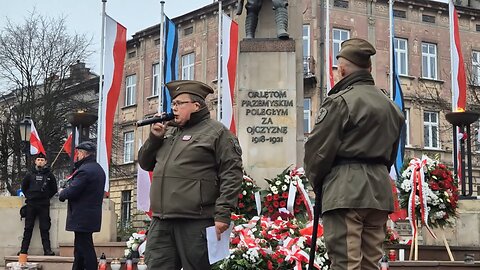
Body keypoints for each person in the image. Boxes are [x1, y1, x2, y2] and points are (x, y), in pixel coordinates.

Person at [304, 38, 405, 270]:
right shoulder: (391, 106)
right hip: (379, 191)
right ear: (369, 69)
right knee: (371, 263)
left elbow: (317, 152)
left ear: (341, 69)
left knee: (346, 263)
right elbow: (391, 154)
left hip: (345, 190)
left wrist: (318, 184)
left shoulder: (340, 102)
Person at [138, 79, 243, 270]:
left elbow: (231, 173)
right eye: (173, 104)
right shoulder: (168, 131)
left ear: (196, 105)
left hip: (196, 222)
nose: (174, 108)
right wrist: (154, 138)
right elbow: (146, 164)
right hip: (162, 221)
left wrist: (223, 213)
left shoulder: (217, 132)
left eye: (180, 103)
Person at [59, 141, 106, 270]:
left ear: (83, 154)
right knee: (80, 248)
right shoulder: (97, 169)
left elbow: (74, 190)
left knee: (85, 248)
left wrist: (62, 194)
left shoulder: (85, 170)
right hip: (89, 215)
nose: (77, 156)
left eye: (78, 153)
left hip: (82, 215)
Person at [19, 152, 58, 256]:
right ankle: (23, 250)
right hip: (31, 204)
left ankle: (47, 250)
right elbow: (24, 187)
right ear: (35, 161)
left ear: (45, 162)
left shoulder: (49, 175)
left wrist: (45, 196)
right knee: (28, 228)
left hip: (44, 205)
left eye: (42, 160)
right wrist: (30, 196)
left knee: (45, 228)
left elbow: (54, 189)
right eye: (38, 160)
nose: (40, 162)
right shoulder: (29, 174)